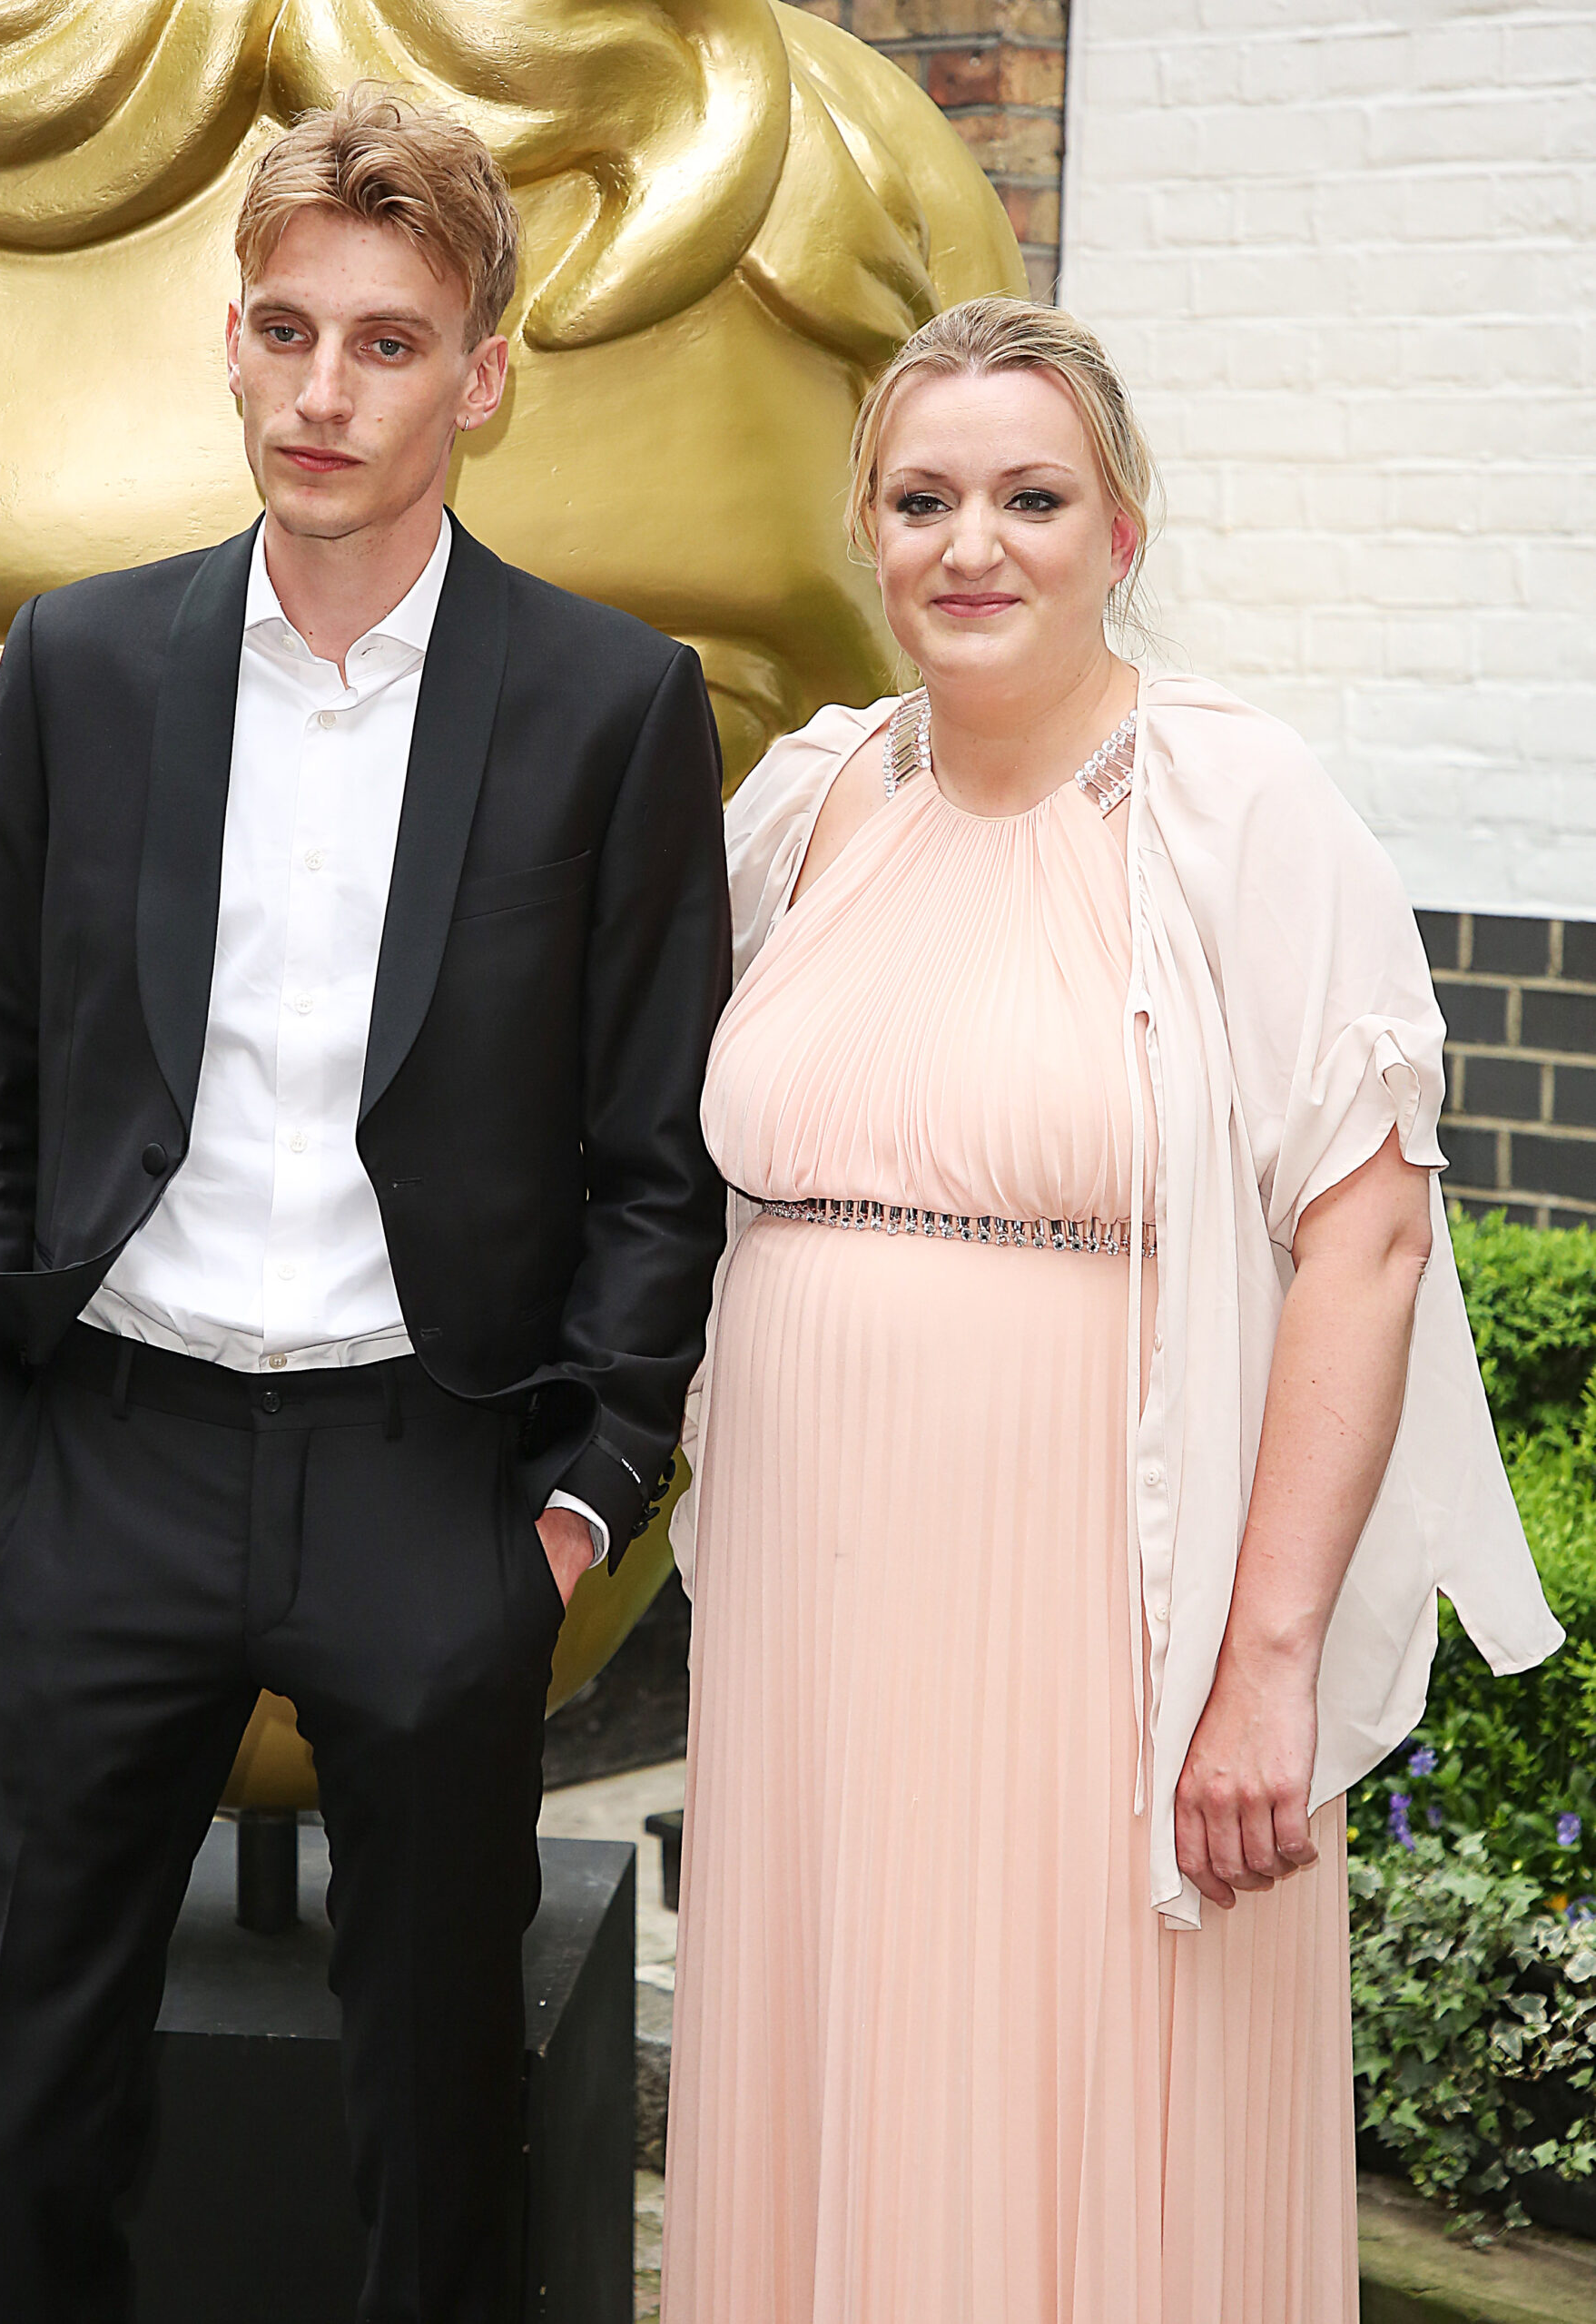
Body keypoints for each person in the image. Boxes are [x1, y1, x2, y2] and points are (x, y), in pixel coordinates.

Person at [0, 84, 729, 2324]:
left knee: (439, 2120)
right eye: (284, 328)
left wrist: (576, 1494)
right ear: (233, 344)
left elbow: (657, 1156)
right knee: (24, 2100)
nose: (321, 387)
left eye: (385, 340)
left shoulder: (607, 706)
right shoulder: (80, 658)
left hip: (426, 1474)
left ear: (478, 376)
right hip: (111, 1464)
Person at [661, 297, 1562, 2324]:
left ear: (1120, 532)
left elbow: (1368, 1241)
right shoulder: (804, 805)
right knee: (847, 2075)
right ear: (866, 536)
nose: (968, 543)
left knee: (1074, 2102)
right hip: (814, 1628)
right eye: (920, 498)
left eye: (1027, 495)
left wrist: (1260, 1668)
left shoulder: (1236, 807)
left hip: (1099, 1632)